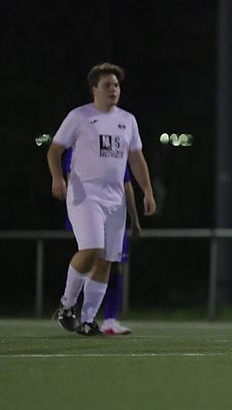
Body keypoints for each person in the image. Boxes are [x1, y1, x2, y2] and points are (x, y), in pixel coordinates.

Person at [49, 62, 156, 335]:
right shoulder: (79, 116)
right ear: (94, 89)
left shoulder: (128, 120)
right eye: (107, 85)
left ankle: (87, 319)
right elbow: (54, 150)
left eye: (116, 85)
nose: (114, 89)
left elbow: (136, 158)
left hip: (115, 199)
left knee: (106, 259)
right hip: (85, 195)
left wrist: (147, 191)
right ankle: (66, 304)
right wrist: (57, 178)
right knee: (91, 249)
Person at [61, 147, 141, 335]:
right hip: (90, 210)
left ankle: (100, 320)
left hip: (114, 212)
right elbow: (70, 177)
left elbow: (126, 183)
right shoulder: (80, 144)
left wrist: (134, 216)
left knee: (111, 262)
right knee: (93, 255)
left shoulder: (116, 146)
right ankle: (68, 305)